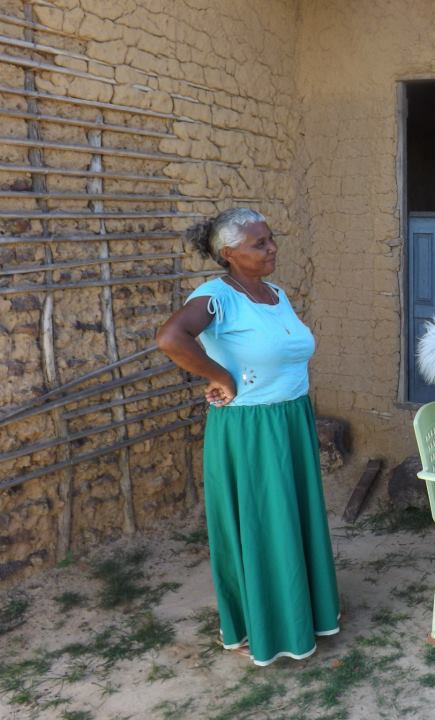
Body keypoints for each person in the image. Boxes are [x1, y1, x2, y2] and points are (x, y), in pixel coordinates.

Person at [157, 208, 340, 666]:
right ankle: (263, 625)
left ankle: (303, 613)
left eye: (270, 239)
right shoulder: (216, 296)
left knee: (291, 521)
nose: (272, 247)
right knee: (263, 524)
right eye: (259, 243)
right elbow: (171, 337)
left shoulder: (275, 294)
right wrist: (219, 375)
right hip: (250, 429)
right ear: (229, 253)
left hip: (290, 419)